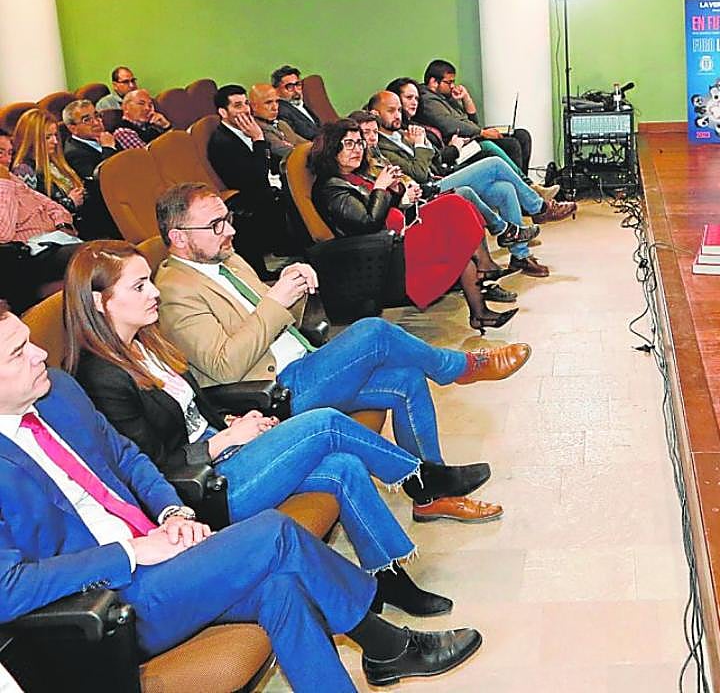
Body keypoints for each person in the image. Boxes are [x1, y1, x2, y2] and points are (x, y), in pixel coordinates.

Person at [0, 302, 482, 690]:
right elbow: (8, 589)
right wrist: (129, 552)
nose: (41, 354)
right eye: (18, 353)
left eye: (31, 341)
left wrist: (171, 510)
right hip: (104, 606)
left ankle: (384, 654)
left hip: (160, 551)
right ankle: (387, 646)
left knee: (282, 590)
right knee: (274, 535)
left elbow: (125, 456)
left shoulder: (56, 392)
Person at [63, 240, 497, 616]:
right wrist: (224, 442)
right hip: (202, 489)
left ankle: (389, 579)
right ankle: (426, 478)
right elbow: (146, 469)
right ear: (100, 302)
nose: (153, 291)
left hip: (227, 453)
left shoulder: (144, 344)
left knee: (343, 466)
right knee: (326, 424)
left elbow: (194, 410)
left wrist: (235, 422)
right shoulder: (100, 377)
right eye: (139, 286)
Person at [152, 183, 530, 523]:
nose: (230, 230)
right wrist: (275, 300)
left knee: (406, 380)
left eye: (227, 219)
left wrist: (294, 287)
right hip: (271, 393)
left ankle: (431, 496)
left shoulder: (225, 258)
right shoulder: (173, 291)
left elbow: (278, 321)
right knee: (374, 331)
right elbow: (225, 366)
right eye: (216, 224)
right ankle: (460, 368)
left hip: (300, 364)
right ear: (179, 238)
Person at [309, 118, 518, 331]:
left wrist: (401, 194)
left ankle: (479, 310)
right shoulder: (331, 188)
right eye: (348, 144)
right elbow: (368, 222)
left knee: (456, 207)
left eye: (359, 143)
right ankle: (485, 267)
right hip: (387, 251)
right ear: (331, 149)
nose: (357, 150)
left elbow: (385, 209)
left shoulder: (355, 176)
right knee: (455, 206)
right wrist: (381, 188)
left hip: (402, 232)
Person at [374, 89, 567, 277]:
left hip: (443, 175)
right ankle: (539, 208)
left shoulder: (404, 133)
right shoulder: (382, 146)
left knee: (504, 189)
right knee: (494, 164)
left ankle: (520, 256)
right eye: (391, 110)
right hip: (427, 191)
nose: (398, 114)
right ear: (375, 114)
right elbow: (421, 174)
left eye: (399, 109)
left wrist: (425, 144)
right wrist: (420, 145)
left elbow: (436, 159)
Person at [206, 84, 290, 280]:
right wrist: (259, 139)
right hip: (248, 195)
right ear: (223, 112)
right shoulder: (222, 142)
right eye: (237, 106)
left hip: (267, 185)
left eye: (245, 104)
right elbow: (256, 178)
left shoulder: (245, 130)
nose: (244, 110)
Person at [0, 132, 82, 312]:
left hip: (57, 238)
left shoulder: (14, 179)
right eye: (0, 153)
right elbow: (3, 234)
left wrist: (62, 226)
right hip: (33, 253)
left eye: (10, 153)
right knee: (98, 257)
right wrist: (3, 184)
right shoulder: (6, 181)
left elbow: (54, 207)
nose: (6, 160)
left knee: (108, 255)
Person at [415, 59, 534, 174]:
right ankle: (524, 183)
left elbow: (473, 121)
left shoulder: (446, 97)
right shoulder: (428, 101)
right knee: (511, 144)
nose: (453, 86)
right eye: (449, 82)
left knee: (522, 135)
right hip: (462, 143)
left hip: (473, 135)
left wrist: (466, 97)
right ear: (434, 82)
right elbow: (448, 125)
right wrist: (482, 132)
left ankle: (524, 183)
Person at [11, 108, 87, 222]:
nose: (55, 141)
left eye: (55, 135)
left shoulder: (56, 161)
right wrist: (69, 203)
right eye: (48, 137)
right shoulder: (24, 171)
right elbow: (34, 215)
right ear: (33, 139)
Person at [60, 99, 121, 239]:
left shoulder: (105, 138)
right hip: (106, 213)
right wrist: (108, 149)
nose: (96, 122)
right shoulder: (74, 153)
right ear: (72, 128)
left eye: (97, 116)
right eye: (87, 120)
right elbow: (102, 181)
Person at [249, 82, 305, 169]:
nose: (275, 108)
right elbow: (284, 151)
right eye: (268, 103)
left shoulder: (281, 124)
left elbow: (305, 143)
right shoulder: (257, 129)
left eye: (277, 102)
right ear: (254, 106)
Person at [271, 65, 321, 141]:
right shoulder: (281, 111)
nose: (296, 91)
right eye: (290, 87)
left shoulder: (302, 104)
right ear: (276, 91)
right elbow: (303, 136)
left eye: (298, 85)